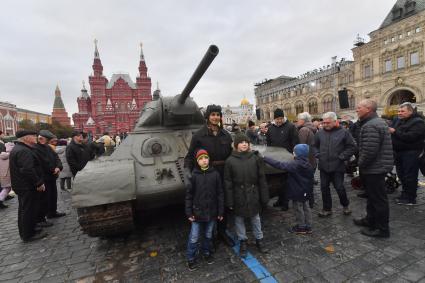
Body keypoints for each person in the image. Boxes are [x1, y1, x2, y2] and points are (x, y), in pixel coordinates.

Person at [184, 104, 233, 247]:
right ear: (207, 117)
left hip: (224, 172)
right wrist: (188, 173)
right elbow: (190, 156)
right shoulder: (199, 135)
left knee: (222, 202)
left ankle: (222, 232)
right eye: (213, 115)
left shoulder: (226, 135)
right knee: (210, 203)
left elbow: (232, 154)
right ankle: (209, 236)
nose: (216, 117)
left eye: (218, 114)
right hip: (207, 173)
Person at [353, 99, 393, 238]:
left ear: (368, 109)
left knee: (378, 199)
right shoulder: (373, 122)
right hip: (376, 167)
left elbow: (369, 151)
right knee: (372, 197)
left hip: (375, 168)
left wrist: (360, 164)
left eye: (359, 107)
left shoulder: (371, 125)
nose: (356, 109)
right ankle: (370, 220)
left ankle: (382, 229)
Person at [224, 133, 269, 257]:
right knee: (239, 220)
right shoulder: (230, 161)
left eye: (246, 142)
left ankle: (259, 239)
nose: (244, 144)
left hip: (253, 193)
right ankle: (242, 240)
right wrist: (230, 201)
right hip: (238, 194)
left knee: (255, 218)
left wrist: (264, 196)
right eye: (241, 142)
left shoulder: (255, 158)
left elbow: (261, 179)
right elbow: (228, 182)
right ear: (236, 145)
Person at [185, 149, 224, 271]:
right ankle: (190, 258)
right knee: (194, 237)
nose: (204, 160)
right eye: (201, 159)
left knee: (208, 235)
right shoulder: (194, 176)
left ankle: (207, 253)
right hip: (197, 213)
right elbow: (189, 195)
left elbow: (220, 193)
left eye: (205, 158)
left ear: (209, 159)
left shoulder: (215, 174)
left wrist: (220, 211)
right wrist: (189, 212)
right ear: (197, 161)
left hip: (211, 212)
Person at [314, 112, 357, 217]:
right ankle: (327, 209)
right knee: (324, 188)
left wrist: (342, 157)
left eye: (328, 123)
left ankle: (345, 205)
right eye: (323, 123)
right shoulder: (319, 133)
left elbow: (352, 147)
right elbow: (314, 146)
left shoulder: (344, 132)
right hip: (324, 166)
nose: (325, 125)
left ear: (335, 121)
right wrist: (318, 154)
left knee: (339, 187)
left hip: (338, 166)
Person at [264, 144, 314, 234]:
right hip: (306, 191)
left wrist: (265, 158)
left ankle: (301, 227)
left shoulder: (295, 165)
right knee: (306, 207)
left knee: (298, 209)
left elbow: (280, 165)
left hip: (297, 192)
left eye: (294, 152)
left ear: (298, 154)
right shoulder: (308, 164)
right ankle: (308, 225)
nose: (293, 153)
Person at [10, 130, 48, 242]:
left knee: (25, 209)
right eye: (33, 136)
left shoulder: (20, 148)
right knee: (28, 210)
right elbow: (27, 170)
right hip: (27, 186)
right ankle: (28, 234)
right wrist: (38, 183)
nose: (36, 137)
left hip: (23, 185)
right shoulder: (23, 151)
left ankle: (29, 229)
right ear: (26, 138)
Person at [389, 102, 425, 205]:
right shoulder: (397, 120)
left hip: (411, 153)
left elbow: (411, 137)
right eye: (398, 111)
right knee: (401, 175)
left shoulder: (418, 122)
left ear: (410, 111)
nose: (399, 113)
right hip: (399, 152)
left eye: (402, 111)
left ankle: (410, 198)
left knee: (410, 176)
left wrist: (394, 132)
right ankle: (405, 194)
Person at [266, 108, 299, 210]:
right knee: (277, 182)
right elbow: (269, 144)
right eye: (277, 119)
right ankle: (279, 200)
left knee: (286, 182)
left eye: (280, 118)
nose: (279, 121)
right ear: (274, 118)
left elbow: (295, 142)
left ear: (283, 117)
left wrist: (294, 154)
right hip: (276, 159)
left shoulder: (290, 127)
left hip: (287, 159)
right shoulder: (271, 128)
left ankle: (285, 202)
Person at [34, 130, 64, 221]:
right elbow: (43, 162)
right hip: (44, 177)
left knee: (53, 195)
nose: (50, 141)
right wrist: (53, 169)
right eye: (48, 139)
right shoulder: (36, 148)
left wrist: (58, 167)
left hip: (52, 176)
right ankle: (45, 215)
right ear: (42, 139)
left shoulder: (48, 147)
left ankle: (52, 212)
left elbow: (56, 158)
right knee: (45, 198)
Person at [296, 112, 318, 207]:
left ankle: (308, 202)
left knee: (305, 183)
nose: (297, 121)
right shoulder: (311, 128)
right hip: (312, 160)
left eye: (298, 119)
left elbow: (301, 146)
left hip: (306, 160)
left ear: (303, 120)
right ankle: (311, 201)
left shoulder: (304, 130)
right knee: (309, 181)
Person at [0, 142, 14, 208]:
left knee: (6, 188)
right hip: (10, 175)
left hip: (2, 176)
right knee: (7, 188)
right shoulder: (11, 155)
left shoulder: (1, 155)